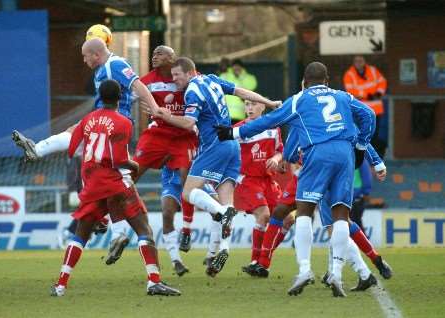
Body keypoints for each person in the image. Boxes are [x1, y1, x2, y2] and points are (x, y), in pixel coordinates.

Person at [215, 61, 376, 297]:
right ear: (327, 80)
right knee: (341, 216)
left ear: (304, 81)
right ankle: (337, 273)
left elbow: (269, 121)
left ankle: (304, 270)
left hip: (317, 154)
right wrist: (362, 147)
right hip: (344, 155)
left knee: (304, 211)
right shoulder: (343, 96)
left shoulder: (300, 99)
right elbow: (369, 115)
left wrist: (234, 132)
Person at [13, 37, 162, 264]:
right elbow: (118, 97)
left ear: (95, 54)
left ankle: (105, 223)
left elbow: (138, 86)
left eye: (85, 56)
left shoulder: (116, 64)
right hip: (104, 122)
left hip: (114, 126)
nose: (84, 60)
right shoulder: (102, 70)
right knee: (104, 174)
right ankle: (117, 233)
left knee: (103, 172)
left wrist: (155, 109)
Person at [146, 57, 280, 276]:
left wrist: (167, 116)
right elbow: (243, 92)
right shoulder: (213, 80)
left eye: (177, 75)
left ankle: (219, 213)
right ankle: (223, 249)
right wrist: (269, 102)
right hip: (232, 146)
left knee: (189, 192)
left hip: (214, 147)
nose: (174, 79)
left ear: (190, 73)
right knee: (226, 202)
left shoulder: (193, 91)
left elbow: (189, 123)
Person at [50, 79, 180, 297]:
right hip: (116, 183)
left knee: (81, 234)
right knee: (143, 229)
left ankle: (61, 285)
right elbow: (119, 159)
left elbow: (73, 149)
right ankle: (153, 281)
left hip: (93, 185)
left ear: (99, 97)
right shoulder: (124, 122)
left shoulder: (87, 120)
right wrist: (135, 164)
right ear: (120, 98)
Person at [133, 45, 199, 274]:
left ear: (173, 58)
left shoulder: (189, 77)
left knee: (188, 182)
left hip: (184, 137)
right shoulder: (146, 81)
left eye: (160, 53)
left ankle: (192, 233)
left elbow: (209, 91)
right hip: (158, 135)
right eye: (153, 54)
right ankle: (117, 227)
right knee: (130, 175)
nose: (154, 56)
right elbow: (126, 98)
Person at [233, 99, 287, 272]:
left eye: (253, 104)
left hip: (268, 180)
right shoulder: (239, 130)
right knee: (264, 215)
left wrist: (276, 159)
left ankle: (263, 256)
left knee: (288, 219)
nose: (249, 108)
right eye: (247, 104)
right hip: (248, 179)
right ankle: (255, 261)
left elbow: (280, 150)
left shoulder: (273, 128)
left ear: (263, 106)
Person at [343, 55, 387, 157]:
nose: (359, 63)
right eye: (356, 61)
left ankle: (375, 156)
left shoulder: (373, 70)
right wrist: (368, 95)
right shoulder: (349, 74)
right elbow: (351, 92)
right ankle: (365, 157)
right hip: (360, 112)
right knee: (362, 135)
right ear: (354, 63)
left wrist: (379, 93)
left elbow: (382, 82)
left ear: (364, 61)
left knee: (374, 135)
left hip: (376, 110)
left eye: (361, 60)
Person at [220, 59, 258, 124]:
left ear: (242, 68)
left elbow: (250, 89)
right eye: (234, 67)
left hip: (240, 115)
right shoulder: (226, 76)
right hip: (226, 115)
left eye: (238, 67)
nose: (236, 69)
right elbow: (219, 82)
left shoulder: (249, 78)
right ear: (231, 68)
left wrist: (239, 77)